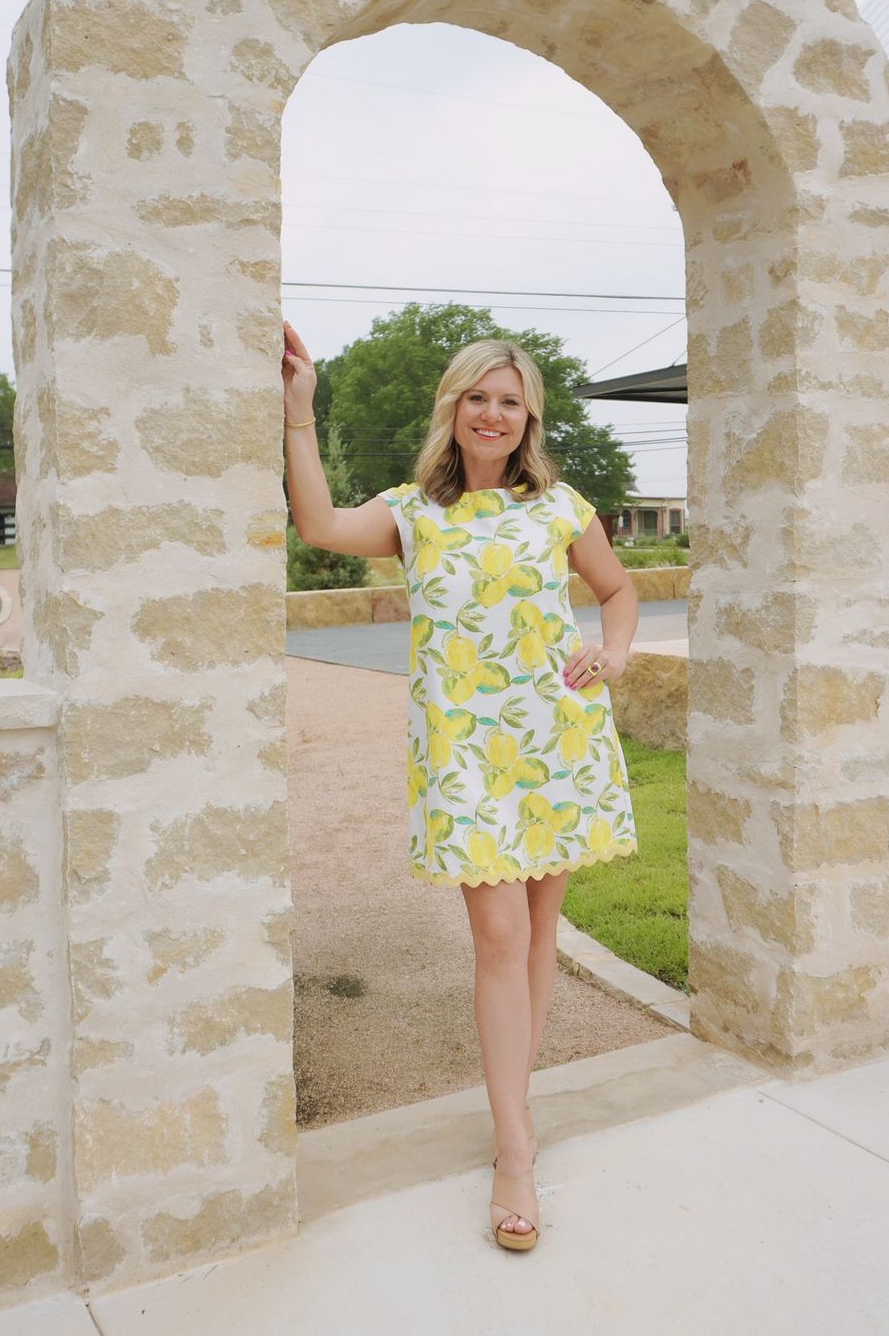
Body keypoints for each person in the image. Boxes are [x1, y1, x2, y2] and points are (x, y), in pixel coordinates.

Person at [282, 318, 639, 1252]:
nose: (493, 413)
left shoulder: (562, 508)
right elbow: (318, 525)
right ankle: (515, 1149)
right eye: (478, 396)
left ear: (529, 418)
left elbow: (618, 591)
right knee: (500, 936)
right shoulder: (414, 512)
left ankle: (514, 1111)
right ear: (453, 407)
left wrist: (614, 653)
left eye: (510, 401)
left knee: (539, 935)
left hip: (557, 741)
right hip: (466, 758)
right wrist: (299, 415)